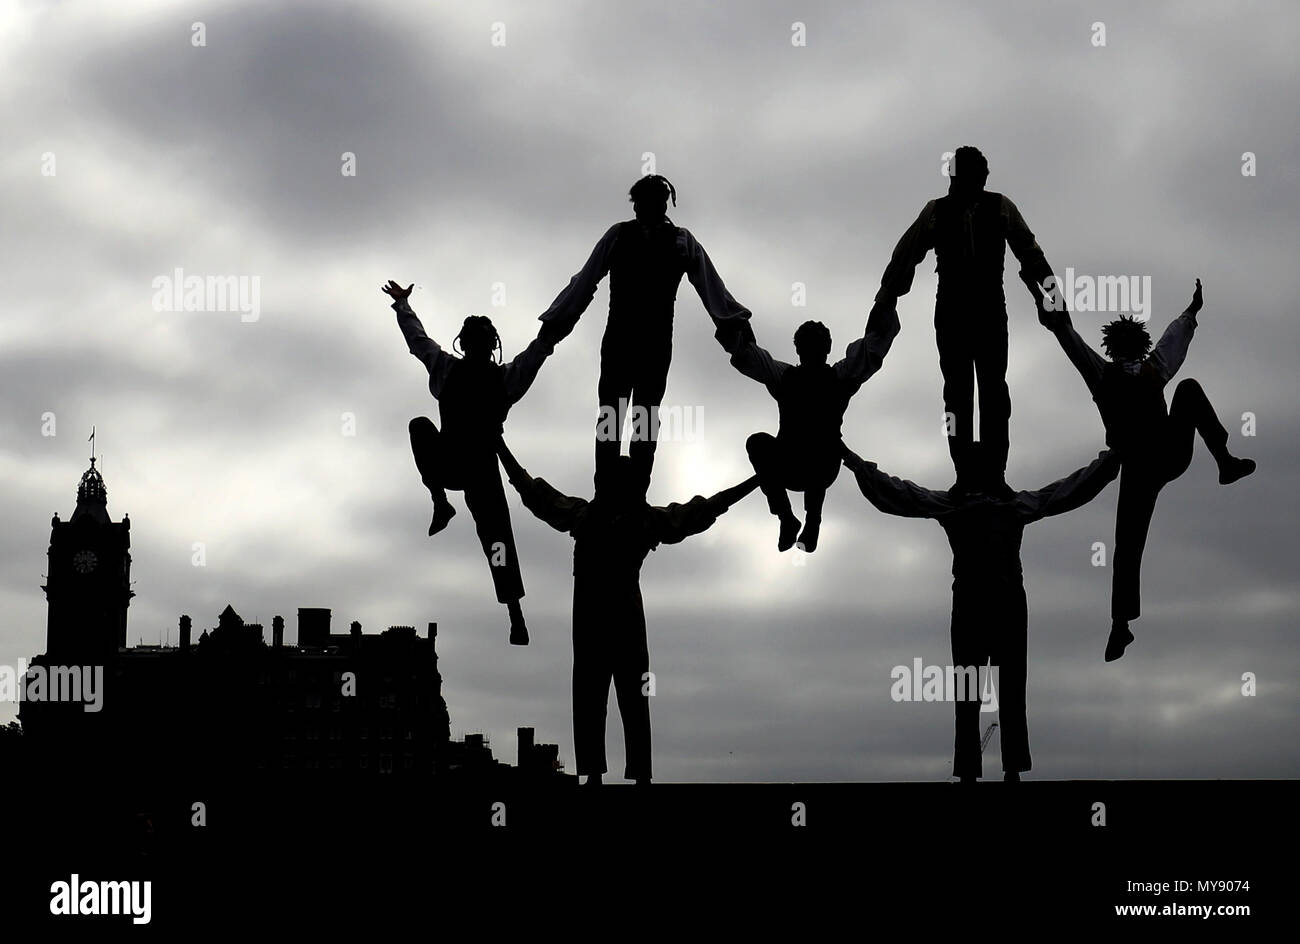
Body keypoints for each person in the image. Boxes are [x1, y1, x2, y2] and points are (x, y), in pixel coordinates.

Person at [842, 444, 1120, 781]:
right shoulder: (1003, 506)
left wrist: (852, 461)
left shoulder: (972, 506)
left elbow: (898, 494)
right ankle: (999, 770)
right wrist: (1110, 460)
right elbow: (1068, 491)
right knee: (999, 690)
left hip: (984, 605)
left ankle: (987, 771)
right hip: (996, 605)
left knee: (983, 691)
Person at [1020, 275, 1256, 661]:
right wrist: (1191, 312)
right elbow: (1079, 341)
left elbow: (1161, 343)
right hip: (1150, 462)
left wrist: (1191, 312)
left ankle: (1225, 461)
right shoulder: (1124, 373)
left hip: (1159, 455)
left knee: (1189, 389)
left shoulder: (1134, 372)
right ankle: (1120, 626)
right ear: (1122, 348)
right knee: (1128, 545)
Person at [498, 442, 758, 786]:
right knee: (622, 695)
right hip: (619, 618)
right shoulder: (630, 519)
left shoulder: (594, 516)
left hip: (600, 618)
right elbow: (704, 510)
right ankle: (632, 775)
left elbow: (532, 492)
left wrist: (499, 446)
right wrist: (757, 480)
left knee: (600, 695)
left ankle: (609, 774)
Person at [383, 280, 575, 646]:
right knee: (497, 539)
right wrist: (403, 306)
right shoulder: (482, 374)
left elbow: (419, 343)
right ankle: (441, 502)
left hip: (477, 468)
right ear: (485, 345)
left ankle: (515, 614)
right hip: (460, 462)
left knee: (498, 540)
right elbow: (419, 342)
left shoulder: (470, 373)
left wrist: (403, 306)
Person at [537, 175, 754, 482]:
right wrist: (555, 323)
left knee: (646, 415)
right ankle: (605, 487)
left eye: (658, 201)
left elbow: (711, 287)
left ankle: (638, 489)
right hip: (619, 342)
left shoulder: (682, 241)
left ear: (664, 205)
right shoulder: (618, 236)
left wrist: (735, 323)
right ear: (637, 205)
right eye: (646, 202)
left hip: (655, 344)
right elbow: (584, 281)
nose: (651, 207)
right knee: (611, 413)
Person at [870, 146, 1055, 497]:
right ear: (956, 176)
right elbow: (906, 254)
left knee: (993, 391)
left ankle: (994, 475)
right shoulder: (936, 212)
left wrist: (1053, 297)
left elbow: (1031, 254)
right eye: (973, 174)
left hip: (988, 310)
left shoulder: (1000, 207)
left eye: (982, 174)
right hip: (953, 311)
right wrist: (885, 298)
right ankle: (965, 475)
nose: (980, 180)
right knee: (957, 394)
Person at [721, 305, 900, 552]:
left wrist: (734, 320)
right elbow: (871, 349)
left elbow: (751, 356)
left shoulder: (796, 376)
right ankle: (790, 518)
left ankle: (806, 520)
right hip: (801, 466)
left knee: (811, 442)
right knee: (761, 442)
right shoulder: (834, 376)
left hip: (814, 466)